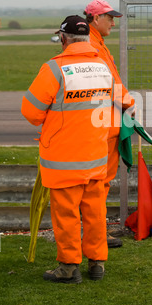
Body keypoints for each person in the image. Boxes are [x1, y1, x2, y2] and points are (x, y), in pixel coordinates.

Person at [21, 15, 114, 283]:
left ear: (63, 38)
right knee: (96, 213)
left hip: (63, 160)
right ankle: (97, 263)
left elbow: (31, 112)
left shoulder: (54, 69)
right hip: (96, 156)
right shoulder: (103, 67)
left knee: (67, 215)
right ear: (87, 38)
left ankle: (69, 267)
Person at [83, 0, 135, 246]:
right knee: (98, 183)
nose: (113, 22)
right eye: (109, 18)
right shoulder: (92, 45)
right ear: (95, 19)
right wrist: (128, 103)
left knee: (101, 182)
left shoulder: (97, 42)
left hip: (106, 122)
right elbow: (109, 82)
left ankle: (96, 233)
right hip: (101, 123)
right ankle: (95, 236)